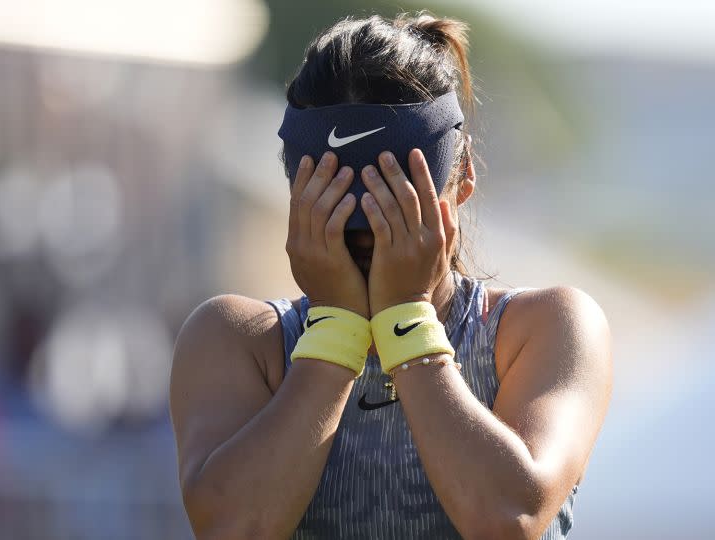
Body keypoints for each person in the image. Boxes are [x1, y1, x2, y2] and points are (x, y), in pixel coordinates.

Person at [169, 11, 613, 540]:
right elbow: (230, 528)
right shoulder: (238, 340)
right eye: (344, 215)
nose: (372, 241)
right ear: (299, 197)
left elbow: (506, 520)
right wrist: (335, 331)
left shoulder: (545, 328)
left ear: (464, 176)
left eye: (398, 212)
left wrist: (407, 318)